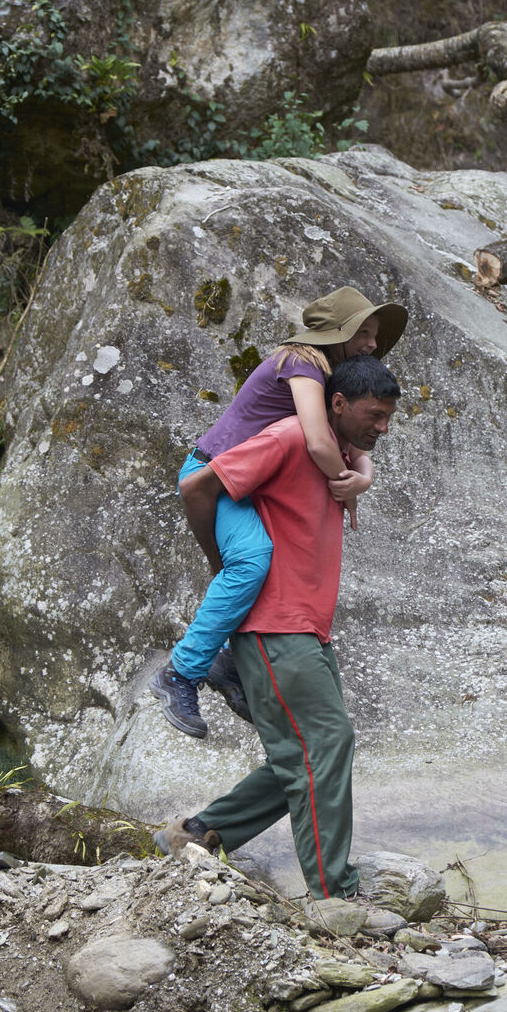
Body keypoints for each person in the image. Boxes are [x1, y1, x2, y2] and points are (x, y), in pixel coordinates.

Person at [155, 354, 401, 901]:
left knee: (305, 754)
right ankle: (333, 893)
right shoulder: (291, 436)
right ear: (336, 402)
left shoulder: (339, 454)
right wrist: (223, 568)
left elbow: (359, 462)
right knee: (327, 742)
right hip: (274, 626)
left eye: (388, 417)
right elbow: (198, 487)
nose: (382, 426)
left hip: (307, 628)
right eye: (374, 414)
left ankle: (199, 834)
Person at [151, 286, 407, 739]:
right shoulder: (301, 361)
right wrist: (343, 485)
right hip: (217, 473)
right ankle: (181, 673)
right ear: (335, 332)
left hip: (251, 482)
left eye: (374, 334)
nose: (372, 342)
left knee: (272, 570)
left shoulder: (331, 377)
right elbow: (315, 437)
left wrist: (362, 475)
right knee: (251, 561)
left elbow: (351, 438)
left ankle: (229, 662)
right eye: (363, 332)